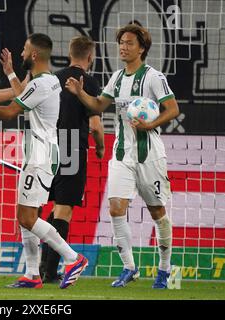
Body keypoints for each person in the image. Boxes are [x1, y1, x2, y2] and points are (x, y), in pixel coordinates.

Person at [0, 33, 89, 289]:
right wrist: (9, 73)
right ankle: (32, 274)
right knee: (25, 215)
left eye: (25, 50)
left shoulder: (41, 84)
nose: (20, 55)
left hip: (40, 156)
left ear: (35, 55)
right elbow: (24, 97)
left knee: (27, 217)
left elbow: (9, 110)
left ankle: (73, 258)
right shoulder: (47, 80)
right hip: (40, 154)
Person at [65, 23, 180, 289]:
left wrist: (150, 124)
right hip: (121, 154)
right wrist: (81, 93)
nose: (123, 48)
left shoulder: (153, 77)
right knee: (116, 208)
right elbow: (98, 105)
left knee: (157, 212)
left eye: (129, 43)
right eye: (121, 43)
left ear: (142, 47)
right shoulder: (116, 78)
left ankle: (164, 269)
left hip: (149, 154)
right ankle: (129, 267)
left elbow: (172, 109)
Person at [39, 35, 105, 284]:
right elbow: (96, 125)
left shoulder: (53, 79)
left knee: (53, 209)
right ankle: (48, 272)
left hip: (48, 148)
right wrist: (100, 147)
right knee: (64, 211)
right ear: (90, 56)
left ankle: (43, 267)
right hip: (72, 148)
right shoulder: (89, 82)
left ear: (69, 54)